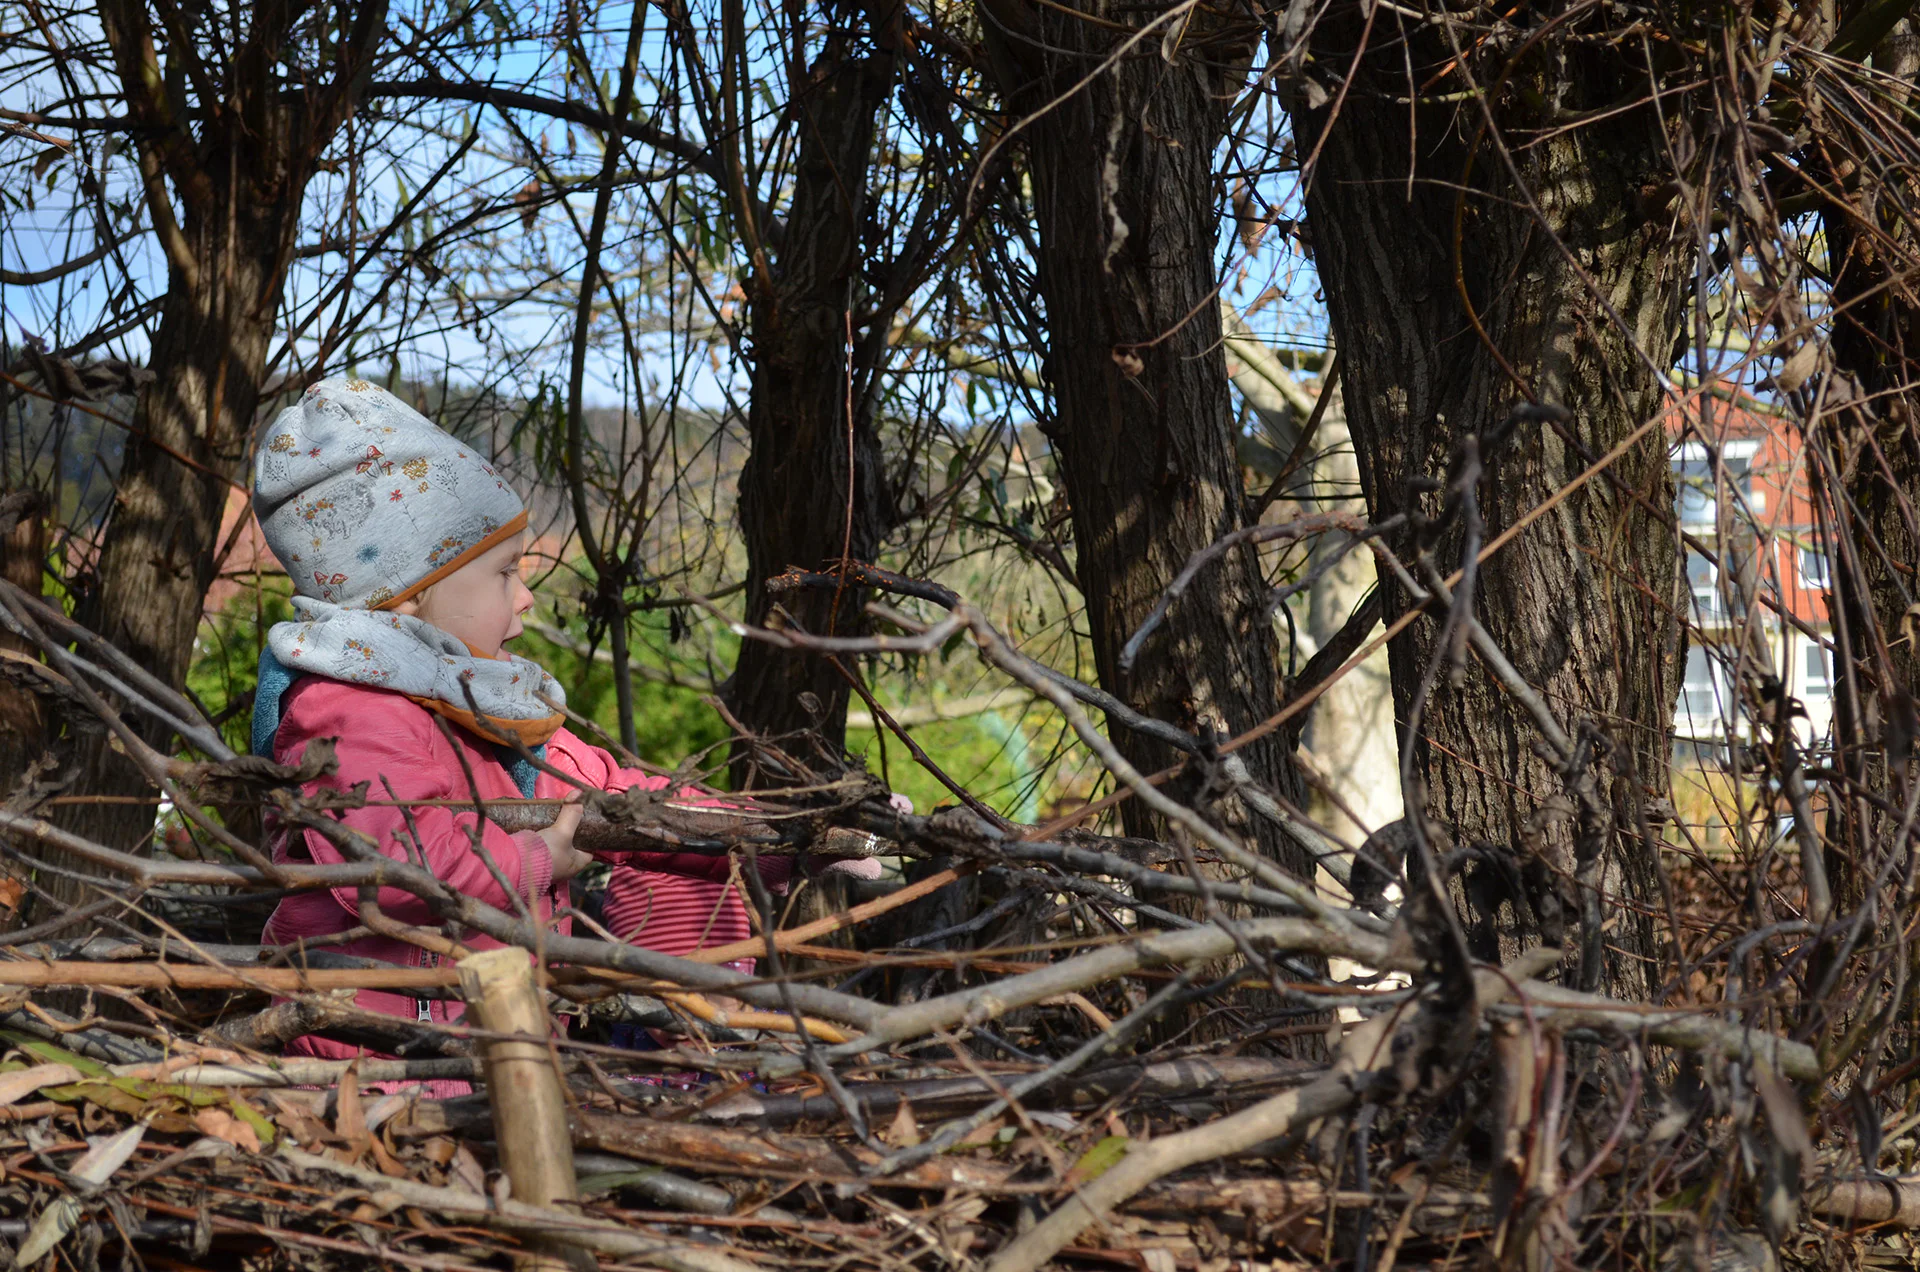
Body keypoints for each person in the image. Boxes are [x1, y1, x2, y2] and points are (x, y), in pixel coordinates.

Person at [248, 377, 871, 1085]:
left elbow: (629, 803)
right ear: (409, 594)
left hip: (492, 1055)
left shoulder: (484, 701)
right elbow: (395, 869)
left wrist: (788, 836)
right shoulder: (351, 712)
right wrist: (539, 858)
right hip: (382, 1064)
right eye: (504, 572)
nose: (526, 596)